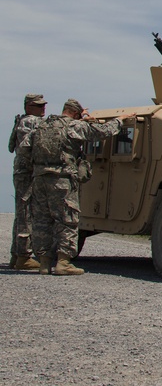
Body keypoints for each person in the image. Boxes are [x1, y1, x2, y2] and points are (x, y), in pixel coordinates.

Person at [25, 99, 135, 275]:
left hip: (39, 179)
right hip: (62, 180)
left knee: (42, 221)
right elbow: (103, 131)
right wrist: (120, 120)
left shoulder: (41, 126)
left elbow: (26, 148)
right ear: (76, 114)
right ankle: (63, 262)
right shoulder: (74, 127)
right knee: (67, 220)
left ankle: (44, 263)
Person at [7, 93, 46, 270]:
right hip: (28, 171)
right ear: (29, 107)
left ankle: (17, 255)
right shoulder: (31, 121)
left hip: (21, 171)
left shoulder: (20, 120)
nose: (43, 109)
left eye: (43, 105)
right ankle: (24, 256)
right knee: (27, 212)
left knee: (22, 212)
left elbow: (10, 147)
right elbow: (27, 148)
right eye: (39, 106)